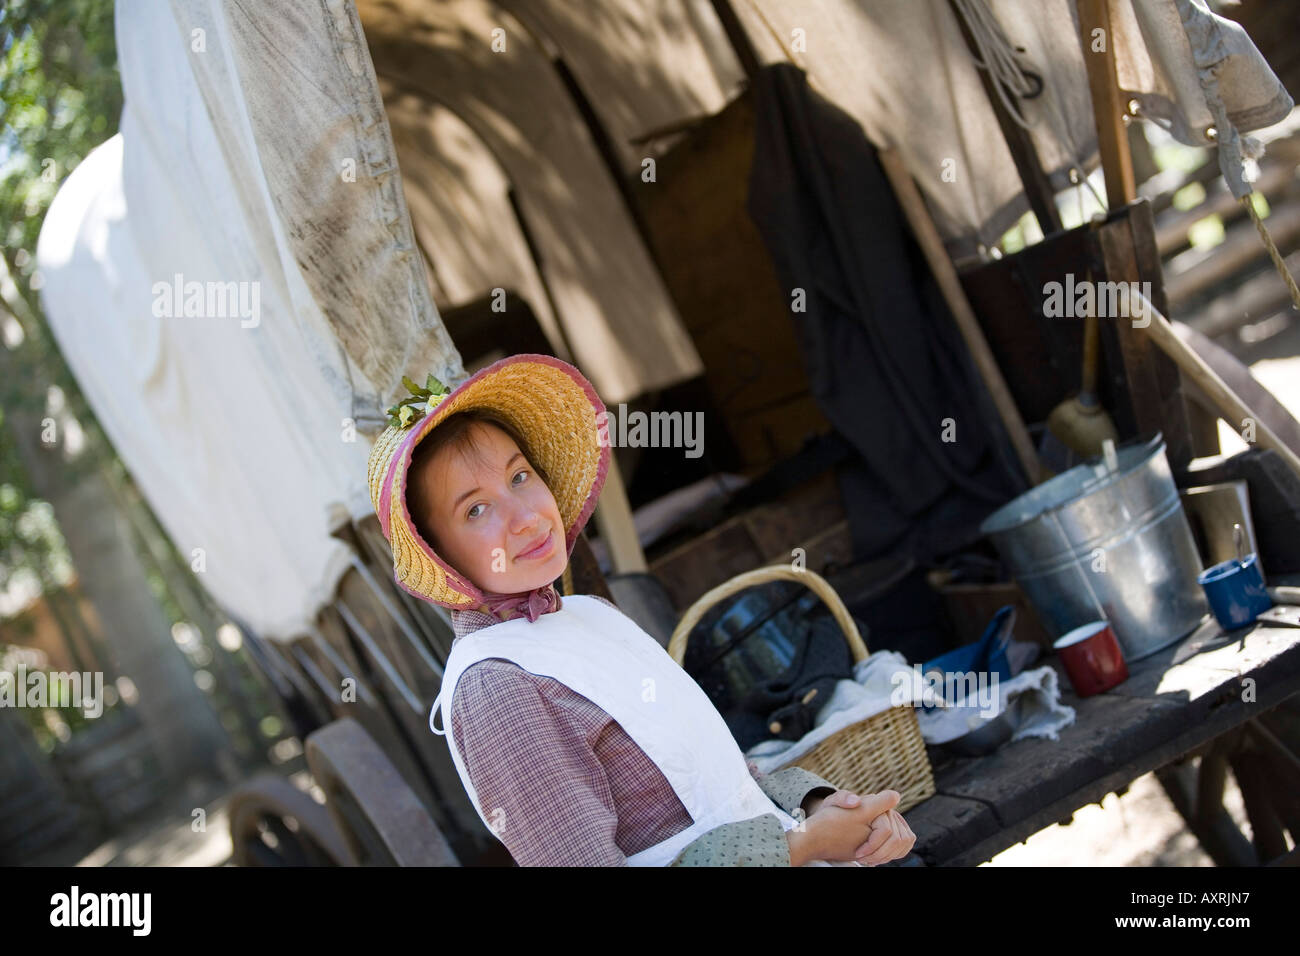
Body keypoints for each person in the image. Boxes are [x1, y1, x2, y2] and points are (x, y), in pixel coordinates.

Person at [366, 353, 916, 866]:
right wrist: (796, 847)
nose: (527, 518)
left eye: (519, 476)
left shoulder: (590, 614)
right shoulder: (497, 689)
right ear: (439, 556)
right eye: (477, 509)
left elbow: (718, 780)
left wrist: (817, 805)